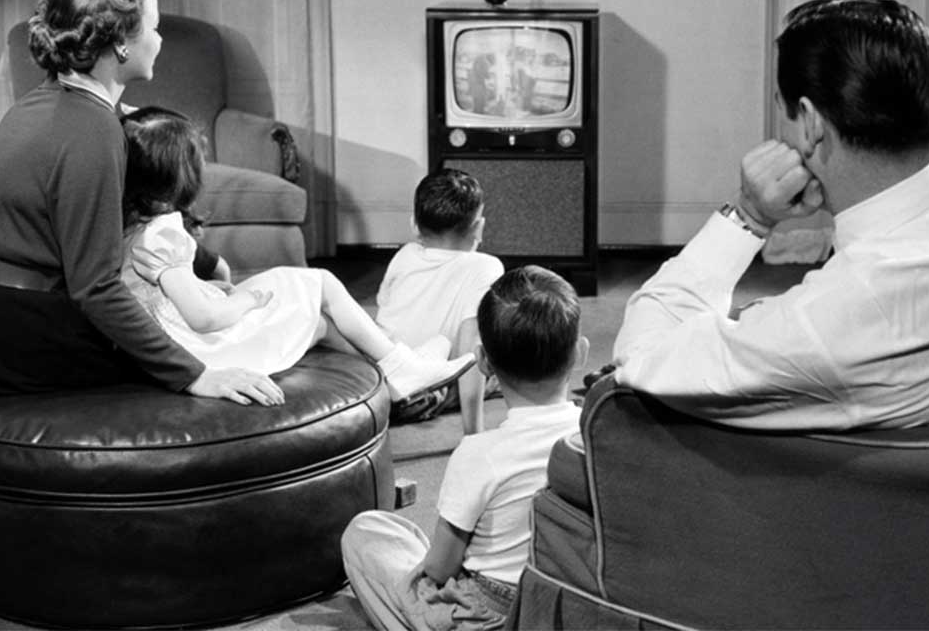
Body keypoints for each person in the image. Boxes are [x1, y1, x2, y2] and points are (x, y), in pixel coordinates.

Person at [0, 0, 281, 539]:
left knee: (167, 326)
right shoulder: (91, 132)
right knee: (195, 344)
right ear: (120, 45)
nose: (160, 40)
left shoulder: (55, 98)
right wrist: (193, 376)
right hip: (16, 325)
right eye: (154, 28)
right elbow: (95, 287)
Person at [611, 0, 929, 430]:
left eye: (782, 112)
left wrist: (749, 216)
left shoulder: (818, 328)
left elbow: (640, 355)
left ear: (810, 123)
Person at [120, 106, 474, 397]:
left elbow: (172, 296)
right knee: (321, 283)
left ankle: (399, 367)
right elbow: (205, 319)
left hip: (189, 344)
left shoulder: (132, 228)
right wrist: (245, 301)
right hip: (207, 351)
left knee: (319, 322)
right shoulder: (164, 233)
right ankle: (400, 366)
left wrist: (210, 289)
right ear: (184, 177)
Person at [341, 265, 586, 631]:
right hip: (562, 608)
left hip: (488, 614)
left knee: (366, 532)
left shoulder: (479, 454)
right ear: (580, 353)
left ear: (483, 361)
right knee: (405, 538)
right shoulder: (594, 437)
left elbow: (441, 568)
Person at [375, 168, 504, 431]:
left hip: (382, 379)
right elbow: (472, 346)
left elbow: (384, 310)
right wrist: (473, 434)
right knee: (519, 362)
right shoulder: (486, 267)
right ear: (479, 228)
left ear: (414, 224)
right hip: (430, 388)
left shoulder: (404, 255)